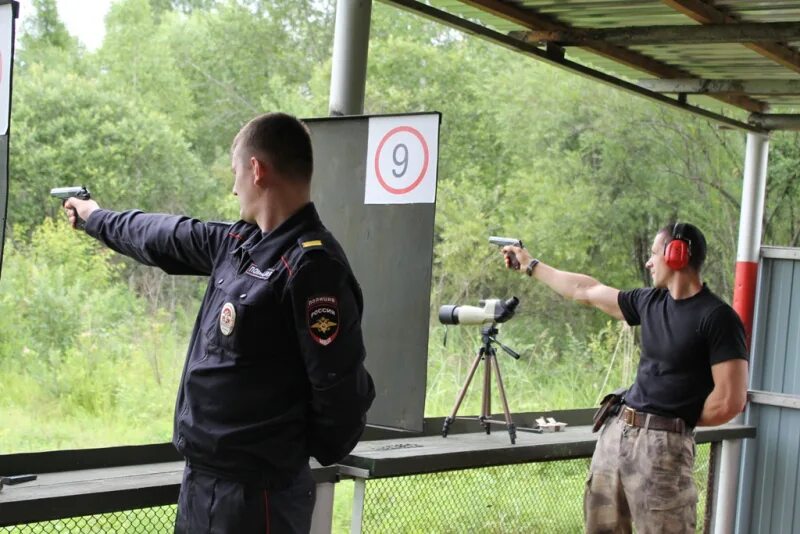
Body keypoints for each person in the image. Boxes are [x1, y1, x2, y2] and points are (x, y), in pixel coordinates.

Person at [64, 112, 376, 534]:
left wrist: (285, 455)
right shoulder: (240, 242)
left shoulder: (312, 267)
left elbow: (338, 388)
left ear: (256, 169)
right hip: (204, 485)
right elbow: (160, 234)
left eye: (235, 174)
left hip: (260, 497)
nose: (233, 189)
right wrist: (94, 217)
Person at [501, 223, 748, 534]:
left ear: (677, 255)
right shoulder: (649, 302)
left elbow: (730, 401)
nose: (648, 262)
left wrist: (672, 422)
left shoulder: (717, 317)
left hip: (663, 447)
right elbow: (585, 291)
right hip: (616, 435)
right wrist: (530, 264)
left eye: (654, 254)